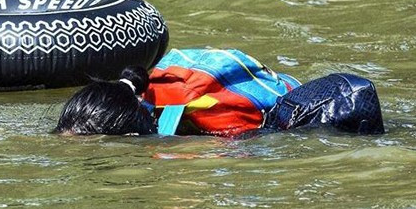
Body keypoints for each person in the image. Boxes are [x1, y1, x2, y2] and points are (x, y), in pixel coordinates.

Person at [55, 60, 385, 137]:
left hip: (300, 109)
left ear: (130, 135)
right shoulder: (134, 87)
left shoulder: (199, 111)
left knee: (353, 95)